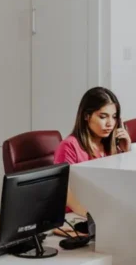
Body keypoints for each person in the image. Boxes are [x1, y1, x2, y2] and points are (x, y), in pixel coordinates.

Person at [54, 87, 131, 217]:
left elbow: (122, 184)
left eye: (114, 117)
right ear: (86, 116)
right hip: (77, 215)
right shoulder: (69, 146)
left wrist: (126, 152)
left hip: (104, 208)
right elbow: (65, 193)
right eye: (103, 117)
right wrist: (93, 216)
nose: (110, 124)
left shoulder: (110, 146)